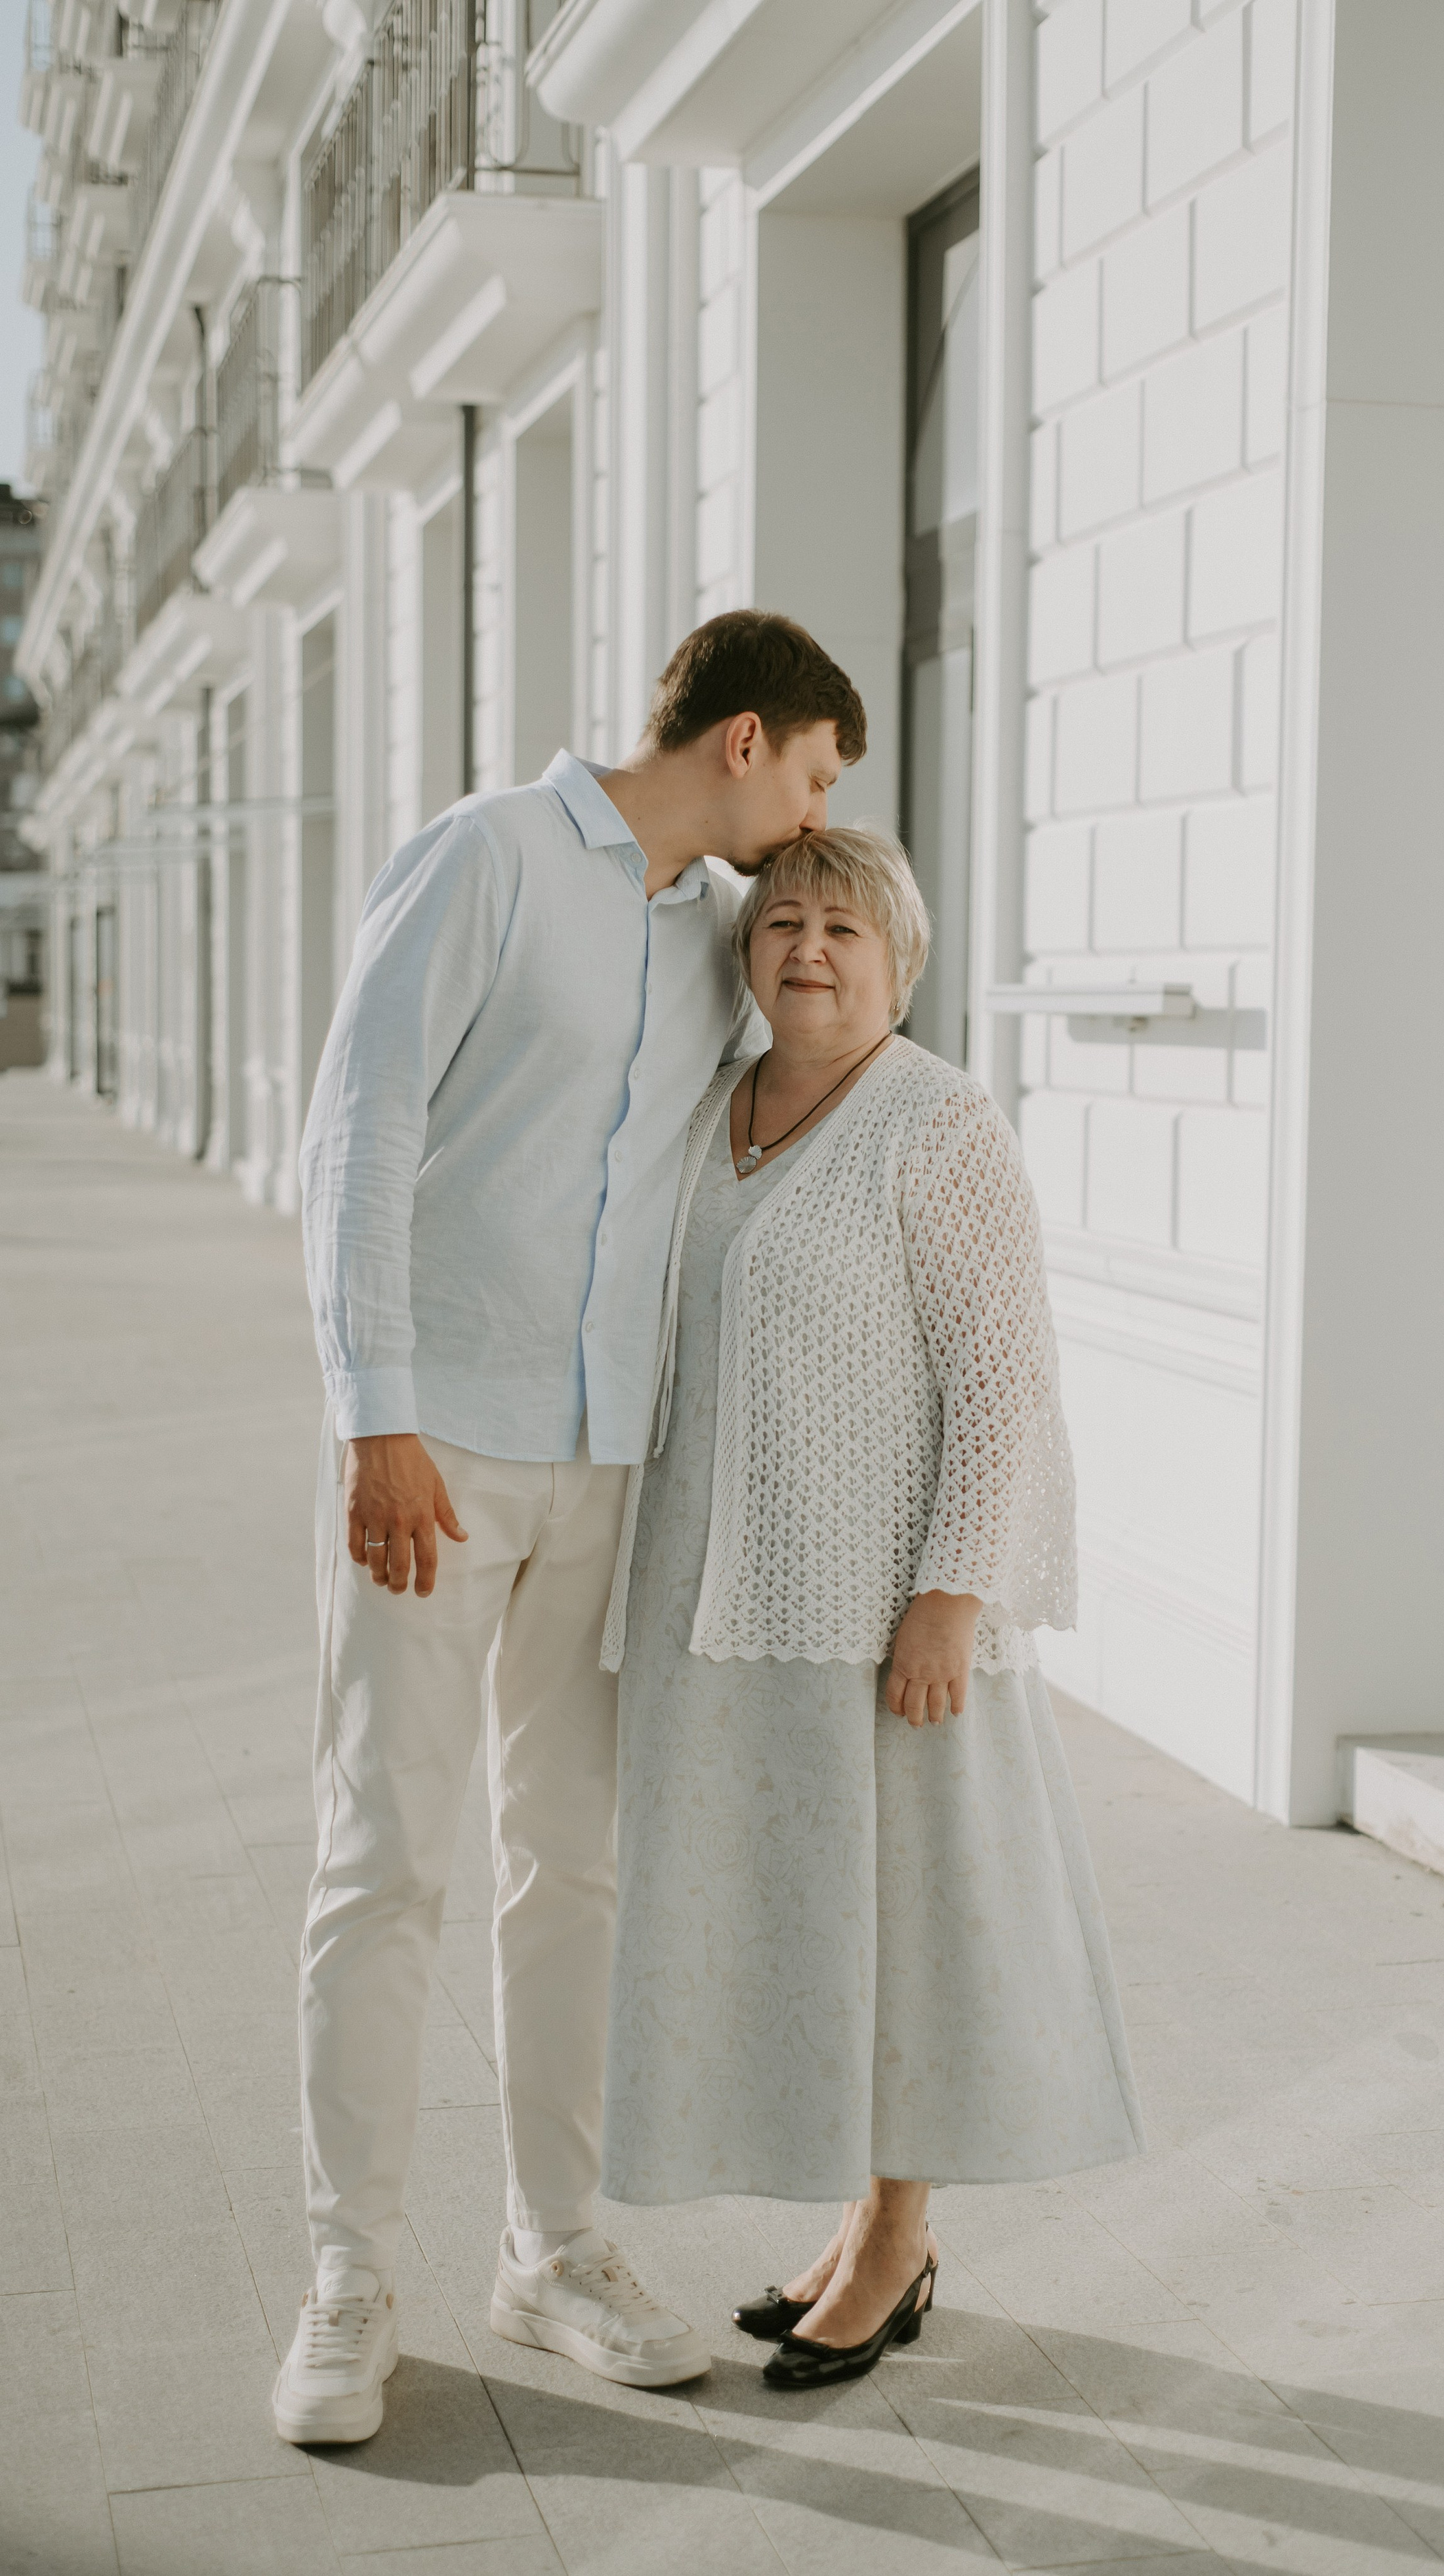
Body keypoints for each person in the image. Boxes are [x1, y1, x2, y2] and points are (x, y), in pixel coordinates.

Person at [276, 613, 868, 2446]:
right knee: (385, 1863)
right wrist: (374, 1412)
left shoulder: (717, 935)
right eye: (822, 779)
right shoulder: (487, 856)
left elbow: (840, 1029)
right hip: (434, 1455)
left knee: (577, 1871)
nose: (820, 819)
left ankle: (552, 2248)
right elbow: (361, 1130)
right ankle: (346, 2278)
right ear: (748, 739)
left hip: (613, 1469)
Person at [599, 824, 1144, 2390]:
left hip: (878, 1613)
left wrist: (949, 1600)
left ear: (899, 957)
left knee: (904, 1925)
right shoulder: (713, 1112)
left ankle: (898, 2242)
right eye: (780, 922)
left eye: (842, 925)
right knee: (810, 1925)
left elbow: (1001, 1379)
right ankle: (852, 2221)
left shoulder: (940, 1120)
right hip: (727, 1602)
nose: (806, 948)